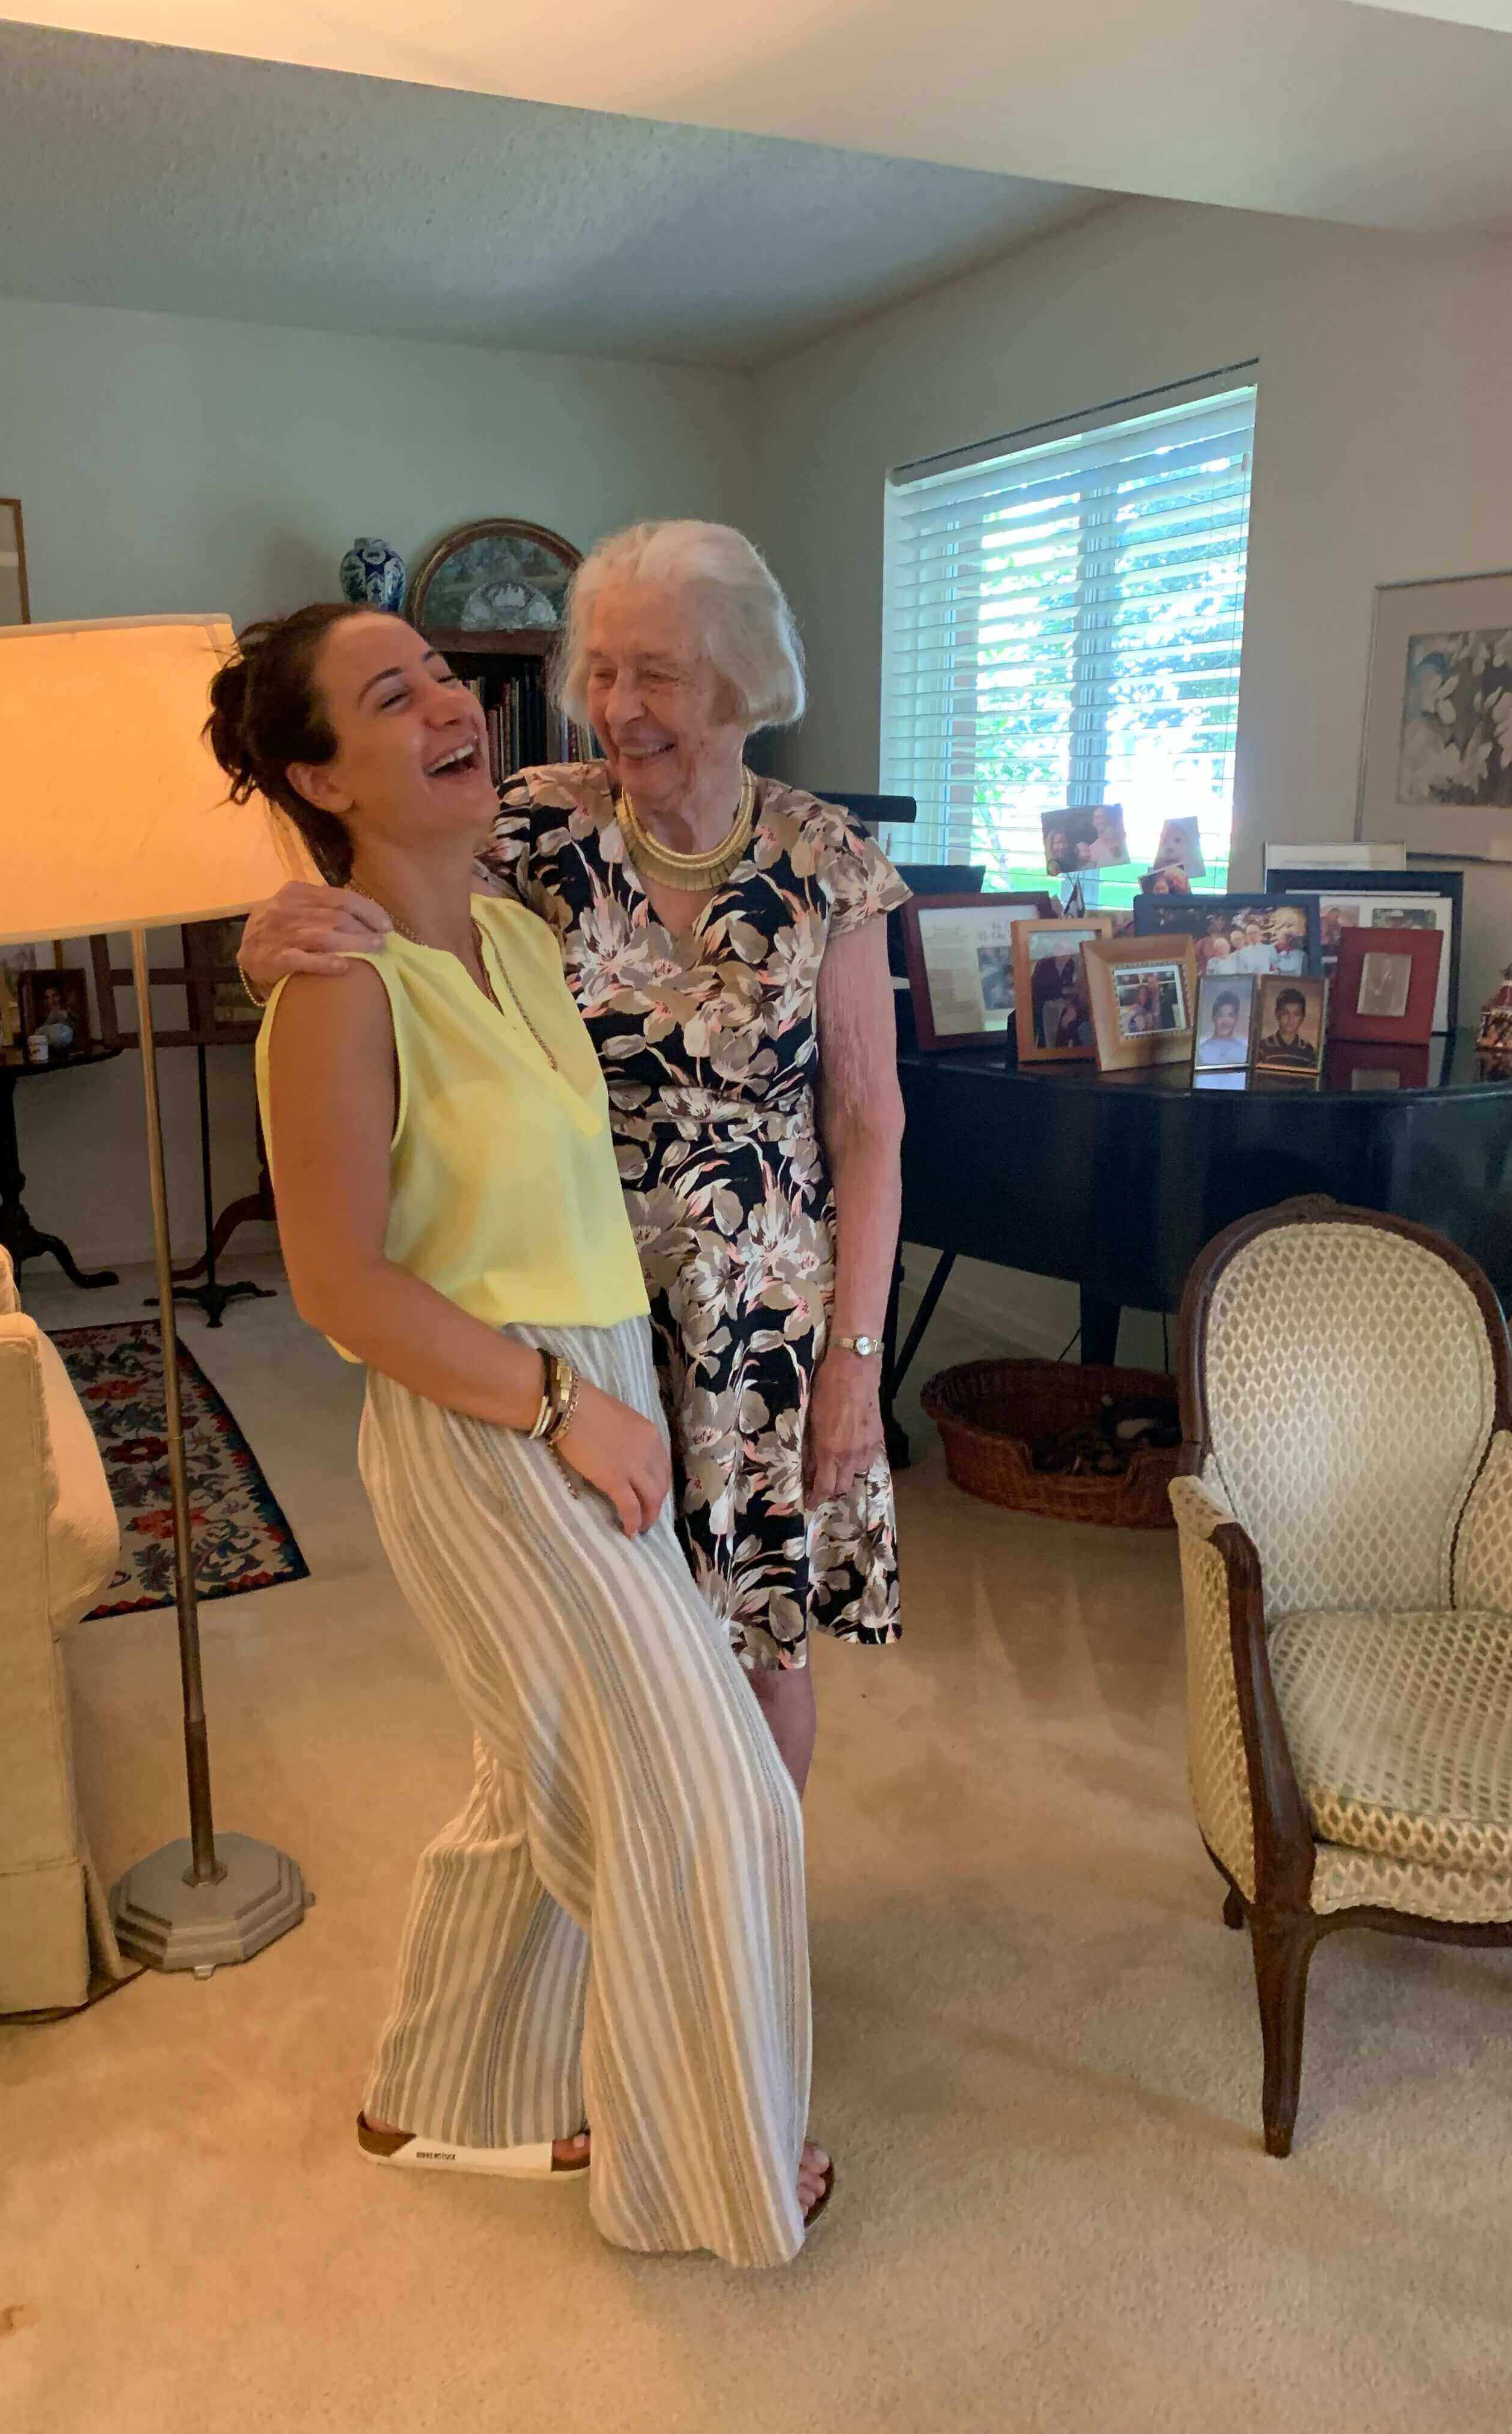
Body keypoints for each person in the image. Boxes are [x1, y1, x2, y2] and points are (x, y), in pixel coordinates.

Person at [212, 603, 829, 2265]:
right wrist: (562, 1406)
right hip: (490, 1419)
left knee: (536, 1772)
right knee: (711, 1789)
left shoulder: (516, 918)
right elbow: (337, 1283)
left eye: (442, 675)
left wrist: (611, 1393)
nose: (447, 705)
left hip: (596, 1384)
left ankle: (445, 2093)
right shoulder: (337, 990)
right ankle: (702, 2169)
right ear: (318, 776)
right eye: (389, 696)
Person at [239, 522, 908, 1795]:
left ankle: (749, 1900)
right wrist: (269, 933)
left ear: (740, 680)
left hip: (758, 1326)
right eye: (598, 671)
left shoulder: (827, 859)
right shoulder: (534, 822)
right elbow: (381, 893)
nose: (615, 707)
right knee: (585, 1681)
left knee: (758, 1654)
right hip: (575, 1317)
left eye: (655, 673)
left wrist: (856, 1362)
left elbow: (868, 1123)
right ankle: (629, 1893)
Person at [1257, 985, 1318, 1071]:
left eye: (1296, 1014)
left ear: (1302, 1018)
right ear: (1277, 1014)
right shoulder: (1263, 1047)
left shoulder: (1309, 1051)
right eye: (1286, 1013)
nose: (1291, 1019)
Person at [1195, 989, 1246, 1067]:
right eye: (1220, 1015)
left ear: (1236, 1019)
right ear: (1213, 1018)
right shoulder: (1201, 1052)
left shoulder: (1244, 1051)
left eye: (1230, 1016)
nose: (1225, 1021)